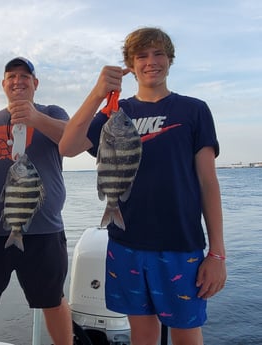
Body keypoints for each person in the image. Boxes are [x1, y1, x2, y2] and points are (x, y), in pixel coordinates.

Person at [59, 28, 227, 345]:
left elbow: (208, 182)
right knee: (142, 333)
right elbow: (67, 147)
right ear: (130, 65)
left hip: (180, 245)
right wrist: (97, 93)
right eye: (142, 56)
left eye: (158, 53)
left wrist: (217, 253)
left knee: (187, 333)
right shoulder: (115, 113)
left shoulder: (194, 110)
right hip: (126, 243)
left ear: (170, 59)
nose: (151, 61)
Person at [0, 57, 73, 345]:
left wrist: (35, 118)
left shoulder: (52, 112)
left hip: (43, 230)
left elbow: (73, 142)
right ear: (3, 84)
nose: (18, 81)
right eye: (12, 76)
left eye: (25, 76)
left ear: (35, 84)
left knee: (53, 300)